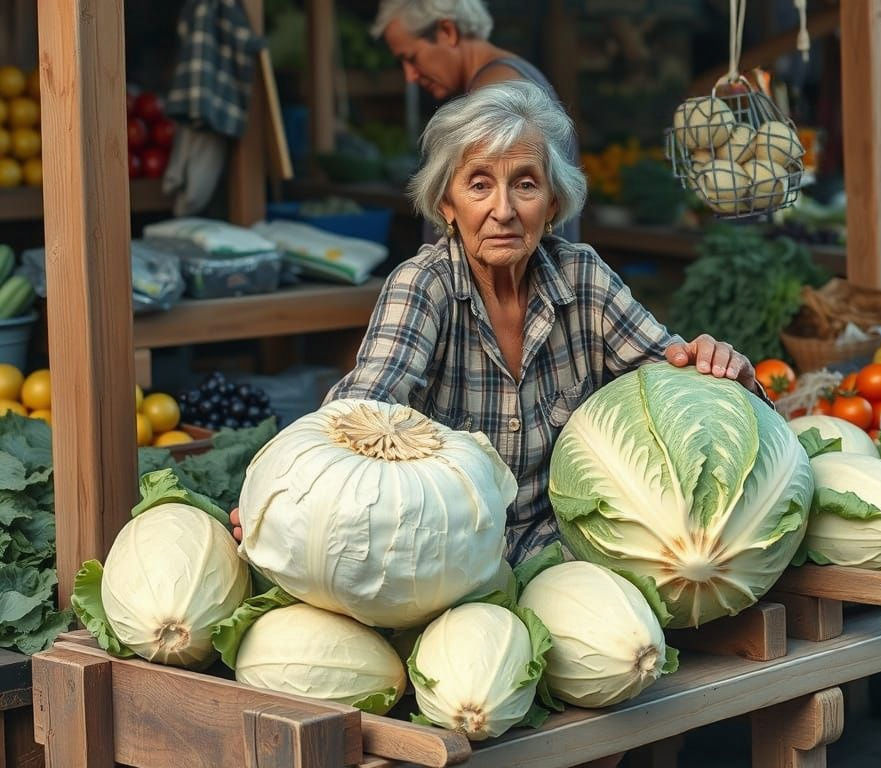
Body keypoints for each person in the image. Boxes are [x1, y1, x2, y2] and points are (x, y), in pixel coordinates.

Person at [230, 80, 757, 768]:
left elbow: (671, 371)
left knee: (604, 699)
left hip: (560, 552)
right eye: (479, 185)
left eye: (525, 184)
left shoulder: (585, 279)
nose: (503, 210)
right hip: (448, 580)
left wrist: (716, 366)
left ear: (555, 202)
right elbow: (362, 406)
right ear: (446, 204)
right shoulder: (424, 287)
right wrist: (284, 499)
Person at [370, 0, 581, 241]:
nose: (410, 75)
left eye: (412, 58)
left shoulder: (498, 92)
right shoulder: (511, 78)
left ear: (447, 31)